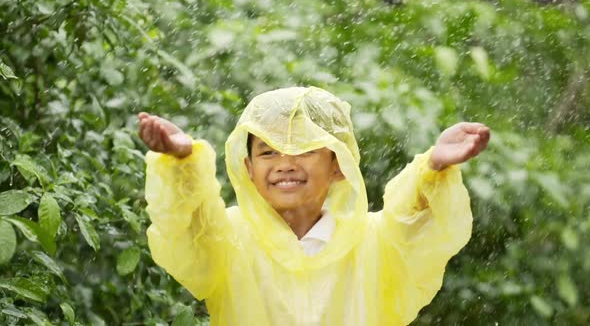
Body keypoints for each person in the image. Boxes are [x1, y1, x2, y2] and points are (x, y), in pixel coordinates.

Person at [138, 86, 490, 326]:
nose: (285, 163)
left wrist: (434, 169)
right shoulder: (229, 239)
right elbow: (190, 222)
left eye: (304, 150)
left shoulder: (373, 242)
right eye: (268, 151)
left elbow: (413, 220)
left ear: (339, 165)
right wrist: (182, 161)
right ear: (248, 168)